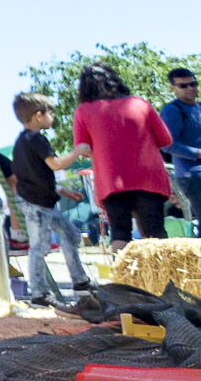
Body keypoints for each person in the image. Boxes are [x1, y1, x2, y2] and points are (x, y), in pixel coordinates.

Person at [71, 62, 175, 249]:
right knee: (155, 232)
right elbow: (165, 140)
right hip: (148, 178)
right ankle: (165, 278)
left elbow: (84, 149)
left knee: (120, 233)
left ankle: (123, 277)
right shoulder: (139, 103)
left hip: (112, 181)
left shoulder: (83, 112)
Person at [10, 91, 89, 308]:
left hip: (40, 202)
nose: (51, 117)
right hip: (37, 205)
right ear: (38, 116)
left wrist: (62, 191)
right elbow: (54, 164)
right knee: (39, 246)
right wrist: (77, 152)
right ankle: (39, 293)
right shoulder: (36, 139)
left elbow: (34, 175)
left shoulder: (21, 142)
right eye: (49, 113)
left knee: (71, 234)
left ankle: (80, 281)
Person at [161, 66, 201, 223]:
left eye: (193, 84)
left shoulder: (198, 107)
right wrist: (197, 153)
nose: (190, 88)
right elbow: (167, 144)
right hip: (192, 175)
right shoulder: (172, 110)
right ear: (173, 88)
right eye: (183, 86)